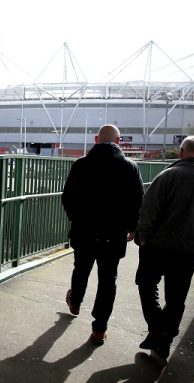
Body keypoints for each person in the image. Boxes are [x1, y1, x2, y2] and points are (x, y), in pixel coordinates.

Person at [134, 135, 194, 361]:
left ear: (181, 152)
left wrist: (142, 238)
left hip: (156, 246)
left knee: (147, 285)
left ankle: (157, 329)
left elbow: (149, 211)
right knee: (176, 297)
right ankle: (164, 338)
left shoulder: (166, 176)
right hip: (189, 250)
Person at [61, 124, 144, 345]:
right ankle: (99, 329)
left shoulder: (81, 164)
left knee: (81, 269)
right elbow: (138, 201)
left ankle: (75, 301)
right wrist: (131, 227)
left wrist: (77, 219)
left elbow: (68, 197)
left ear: (97, 139)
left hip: (84, 231)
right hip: (113, 234)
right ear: (118, 141)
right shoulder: (130, 167)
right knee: (108, 280)